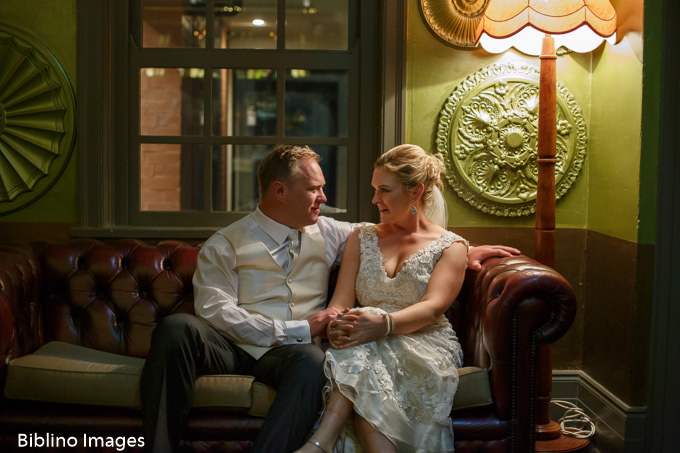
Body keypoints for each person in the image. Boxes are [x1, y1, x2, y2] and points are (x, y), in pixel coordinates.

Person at [140, 144, 519, 453]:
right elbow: (215, 311)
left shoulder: (330, 231)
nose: (324, 197)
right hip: (230, 346)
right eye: (314, 189)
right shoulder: (226, 243)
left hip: (292, 354)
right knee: (177, 327)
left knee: (312, 362)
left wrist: (461, 250)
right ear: (279, 191)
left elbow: (398, 234)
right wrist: (296, 328)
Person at [296, 144, 469, 453]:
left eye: (384, 191)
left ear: (415, 192)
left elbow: (432, 309)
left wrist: (383, 324)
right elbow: (341, 301)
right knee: (367, 351)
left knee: (368, 351)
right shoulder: (361, 238)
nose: (375, 199)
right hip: (367, 337)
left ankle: (320, 442)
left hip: (425, 341)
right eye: (375, 190)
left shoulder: (451, 247)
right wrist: (335, 322)